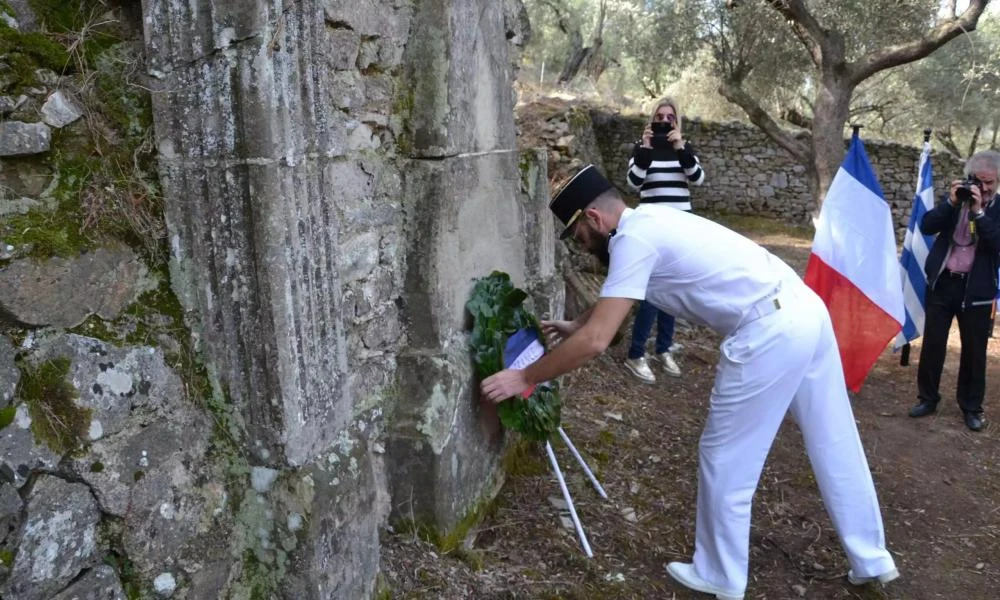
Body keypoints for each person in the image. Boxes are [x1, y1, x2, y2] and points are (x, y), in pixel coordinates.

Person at [480, 165, 898, 600]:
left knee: (725, 457)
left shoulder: (633, 242)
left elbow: (597, 341)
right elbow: (614, 304)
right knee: (834, 438)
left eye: (577, 235)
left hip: (769, 330)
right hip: (804, 310)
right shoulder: (651, 220)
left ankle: (720, 574)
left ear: (594, 218)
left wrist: (523, 376)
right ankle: (871, 557)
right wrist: (576, 323)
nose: (580, 247)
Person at [908, 150, 1000, 432]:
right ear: (969, 177)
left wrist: (979, 212)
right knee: (933, 344)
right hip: (943, 282)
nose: (983, 188)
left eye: (990, 183)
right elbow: (927, 225)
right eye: (979, 181)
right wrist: (951, 201)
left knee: (975, 351)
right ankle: (928, 398)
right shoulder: (956, 199)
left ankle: (971, 408)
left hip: (978, 290)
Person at [622, 97, 705, 383]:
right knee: (652, 292)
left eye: (670, 117)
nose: (665, 121)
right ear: (652, 118)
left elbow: (697, 178)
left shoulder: (684, 147)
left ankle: (664, 348)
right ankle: (636, 353)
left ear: (676, 121)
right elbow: (633, 182)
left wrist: (681, 148)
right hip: (652, 228)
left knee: (672, 290)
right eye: (661, 116)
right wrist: (645, 149)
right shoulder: (641, 147)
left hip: (681, 227)